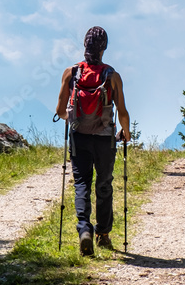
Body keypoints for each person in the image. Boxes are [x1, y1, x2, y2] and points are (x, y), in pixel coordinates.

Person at [55, 26, 130, 256]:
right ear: (104, 48)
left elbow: (60, 110)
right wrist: (125, 132)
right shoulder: (112, 76)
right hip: (105, 140)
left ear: (85, 45)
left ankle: (84, 230)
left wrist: (76, 118)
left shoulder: (72, 72)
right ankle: (103, 235)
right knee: (104, 184)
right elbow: (122, 111)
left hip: (79, 138)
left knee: (82, 185)